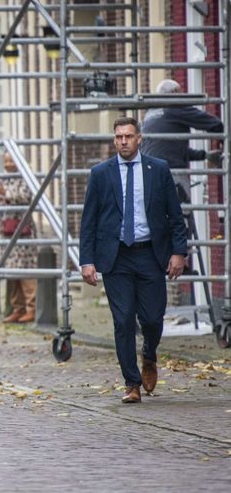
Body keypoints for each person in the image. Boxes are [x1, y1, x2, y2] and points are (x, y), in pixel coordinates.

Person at [79, 117, 187, 404]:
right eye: (118, 137)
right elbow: (88, 221)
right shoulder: (101, 174)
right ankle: (132, 383)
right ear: (114, 140)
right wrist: (86, 260)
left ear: (139, 138)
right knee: (123, 319)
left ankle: (149, 354)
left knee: (152, 318)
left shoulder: (158, 170)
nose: (123, 141)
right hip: (116, 258)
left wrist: (179, 252)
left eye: (128, 136)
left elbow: (175, 216)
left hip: (151, 254)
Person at [141, 79, 224, 201]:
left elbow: (170, 148)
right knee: (182, 213)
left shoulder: (149, 114)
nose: (183, 97)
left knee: (159, 215)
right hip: (171, 174)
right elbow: (214, 124)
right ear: (174, 93)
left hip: (148, 175)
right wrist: (224, 143)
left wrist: (204, 155)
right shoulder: (175, 106)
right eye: (181, 92)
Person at [0, 151, 39, 323]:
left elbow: (25, 197)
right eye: (6, 160)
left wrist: (4, 193)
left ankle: (33, 307)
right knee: (12, 271)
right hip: (5, 229)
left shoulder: (25, 177)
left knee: (26, 270)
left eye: (12, 160)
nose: (9, 164)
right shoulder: (3, 177)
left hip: (22, 229)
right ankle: (18, 307)